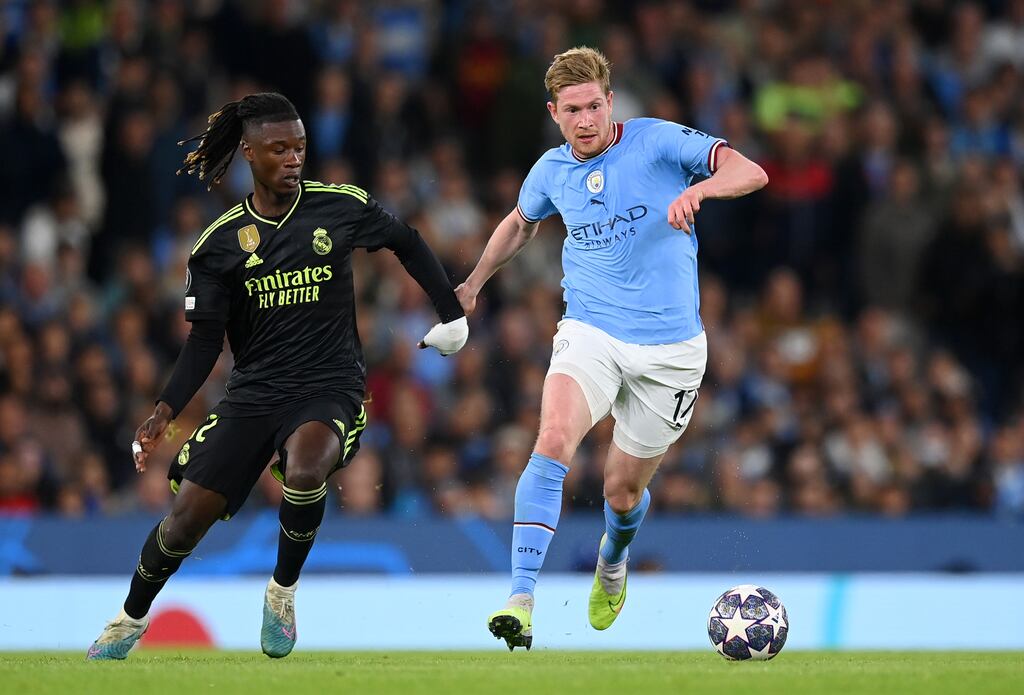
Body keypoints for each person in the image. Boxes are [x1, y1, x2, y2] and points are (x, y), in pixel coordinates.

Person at [87, 93, 469, 660]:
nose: (294, 158)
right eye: (279, 149)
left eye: (300, 147)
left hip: (330, 382)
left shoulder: (338, 207)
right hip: (255, 393)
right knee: (186, 522)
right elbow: (203, 341)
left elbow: (405, 241)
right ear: (248, 154)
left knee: (308, 463)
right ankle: (127, 620)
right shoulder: (217, 245)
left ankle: (281, 593)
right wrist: (164, 410)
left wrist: (451, 313)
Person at [456, 48, 767, 650]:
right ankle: (520, 597)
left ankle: (613, 557)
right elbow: (520, 223)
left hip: (671, 352)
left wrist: (702, 194)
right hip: (590, 331)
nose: (586, 119)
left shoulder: (657, 141)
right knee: (551, 439)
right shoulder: (550, 170)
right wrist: (472, 282)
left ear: (611, 102)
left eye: (594, 105)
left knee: (621, 491)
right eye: (572, 110)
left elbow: (749, 171)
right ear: (554, 113)